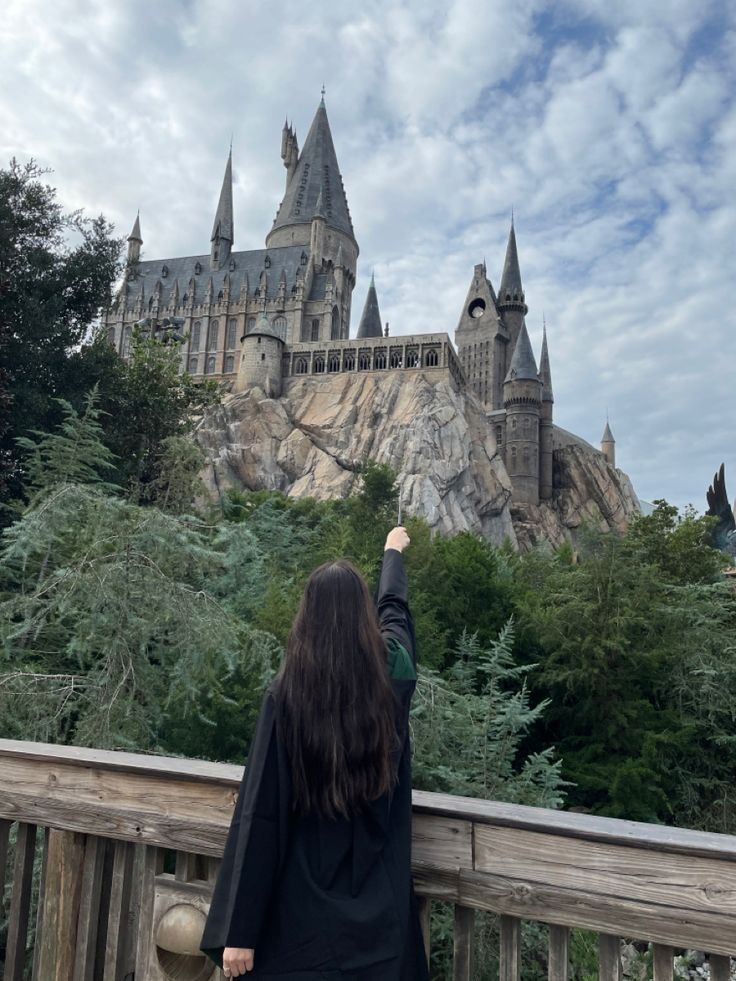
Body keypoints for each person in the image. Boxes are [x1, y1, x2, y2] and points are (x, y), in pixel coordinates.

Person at [200, 527, 429, 979]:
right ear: (364, 619)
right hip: (377, 922)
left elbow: (259, 815)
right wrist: (392, 554)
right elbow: (395, 615)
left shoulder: (287, 697)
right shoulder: (392, 683)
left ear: (307, 617)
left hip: (301, 924)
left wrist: (240, 931)